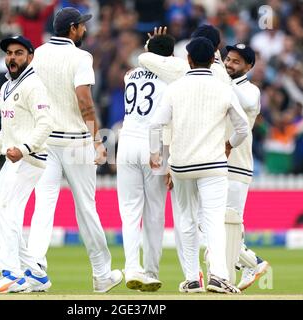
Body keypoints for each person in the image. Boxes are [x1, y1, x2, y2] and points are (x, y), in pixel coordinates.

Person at [29, 7, 122, 293]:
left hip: (45, 139)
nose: (85, 30)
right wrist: (97, 140)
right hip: (75, 141)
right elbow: (85, 101)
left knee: (43, 205)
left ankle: (35, 270)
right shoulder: (81, 57)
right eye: (82, 26)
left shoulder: (39, 53)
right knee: (86, 207)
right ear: (72, 29)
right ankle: (102, 274)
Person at [149, 37, 248, 294]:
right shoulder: (223, 88)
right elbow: (243, 128)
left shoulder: (175, 88)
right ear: (213, 60)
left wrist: (154, 154)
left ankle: (193, 278)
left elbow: (155, 124)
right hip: (214, 163)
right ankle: (218, 275)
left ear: (189, 60)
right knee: (213, 220)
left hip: (182, 165)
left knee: (186, 220)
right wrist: (230, 145)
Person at [0, 36, 53, 293]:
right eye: (9, 53)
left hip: (30, 159)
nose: (12, 58)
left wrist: (23, 149)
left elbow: (45, 124)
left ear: (30, 56)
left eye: (19, 53)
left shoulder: (34, 84)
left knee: (8, 212)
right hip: (13, 159)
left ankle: (12, 275)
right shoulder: (6, 87)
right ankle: (35, 274)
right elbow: (7, 132)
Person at [117, 34, 174, 292]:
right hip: (154, 145)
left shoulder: (130, 75)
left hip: (126, 143)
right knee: (154, 213)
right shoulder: (170, 80)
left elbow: (135, 69)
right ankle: (150, 271)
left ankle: (131, 267)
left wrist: (151, 46)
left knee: (130, 212)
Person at [223, 43, 269, 290]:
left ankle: (249, 263)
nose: (229, 64)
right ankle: (250, 262)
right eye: (227, 59)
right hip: (216, 163)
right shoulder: (221, 83)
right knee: (208, 223)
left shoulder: (251, 90)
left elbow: (244, 100)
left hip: (237, 165)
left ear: (249, 67)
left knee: (229, 223)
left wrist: (219, 77)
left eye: (236, 62)